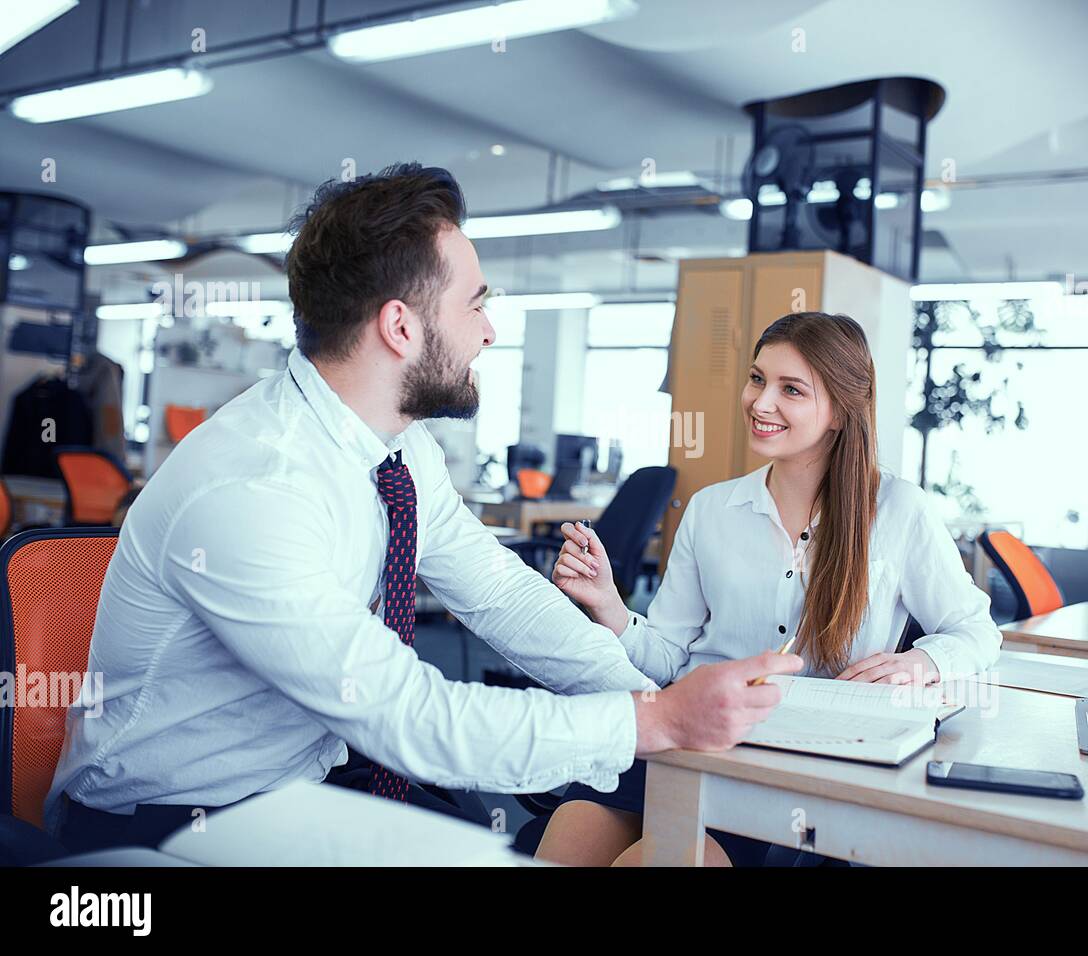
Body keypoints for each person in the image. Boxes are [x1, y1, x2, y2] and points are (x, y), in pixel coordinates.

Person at [44, 163, 800, 853]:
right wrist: (654, 724)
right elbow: (407, 715)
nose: (491, 331)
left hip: (310, 782)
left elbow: (500, 594)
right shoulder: (255, 489)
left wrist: (642, 694)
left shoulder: (400, 451)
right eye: (476, 304)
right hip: (173, 819)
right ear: (400, 327)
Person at [535, 311, 1002, 866]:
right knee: (571, 830)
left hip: (790, 769)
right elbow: (667, 656)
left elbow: (976, 631)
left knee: (663, 860)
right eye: (757, 379)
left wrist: (921, 662)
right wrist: (611, 607)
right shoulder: (712, 508)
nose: (760, 402)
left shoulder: (899, 511)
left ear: (839, 410)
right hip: (686, 737)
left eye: (791, 390)